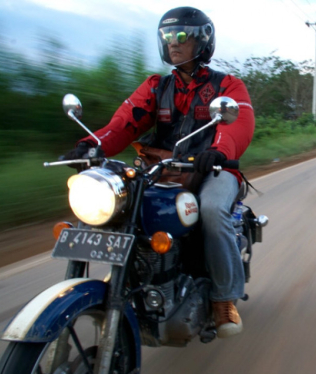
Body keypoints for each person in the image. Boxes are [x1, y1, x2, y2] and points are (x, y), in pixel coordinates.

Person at [63, 6, 254, 338]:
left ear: (202, 41)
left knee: (210, 210)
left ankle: (224, 297)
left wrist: (218, 152)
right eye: (168, 37)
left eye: (181, 36)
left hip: (213, 169)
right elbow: (125, 122)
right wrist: (91, 145)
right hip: (163, 169)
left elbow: (238, 124)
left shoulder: (228, 86)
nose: (174, 44)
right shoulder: (156, 87)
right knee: (117, 204)